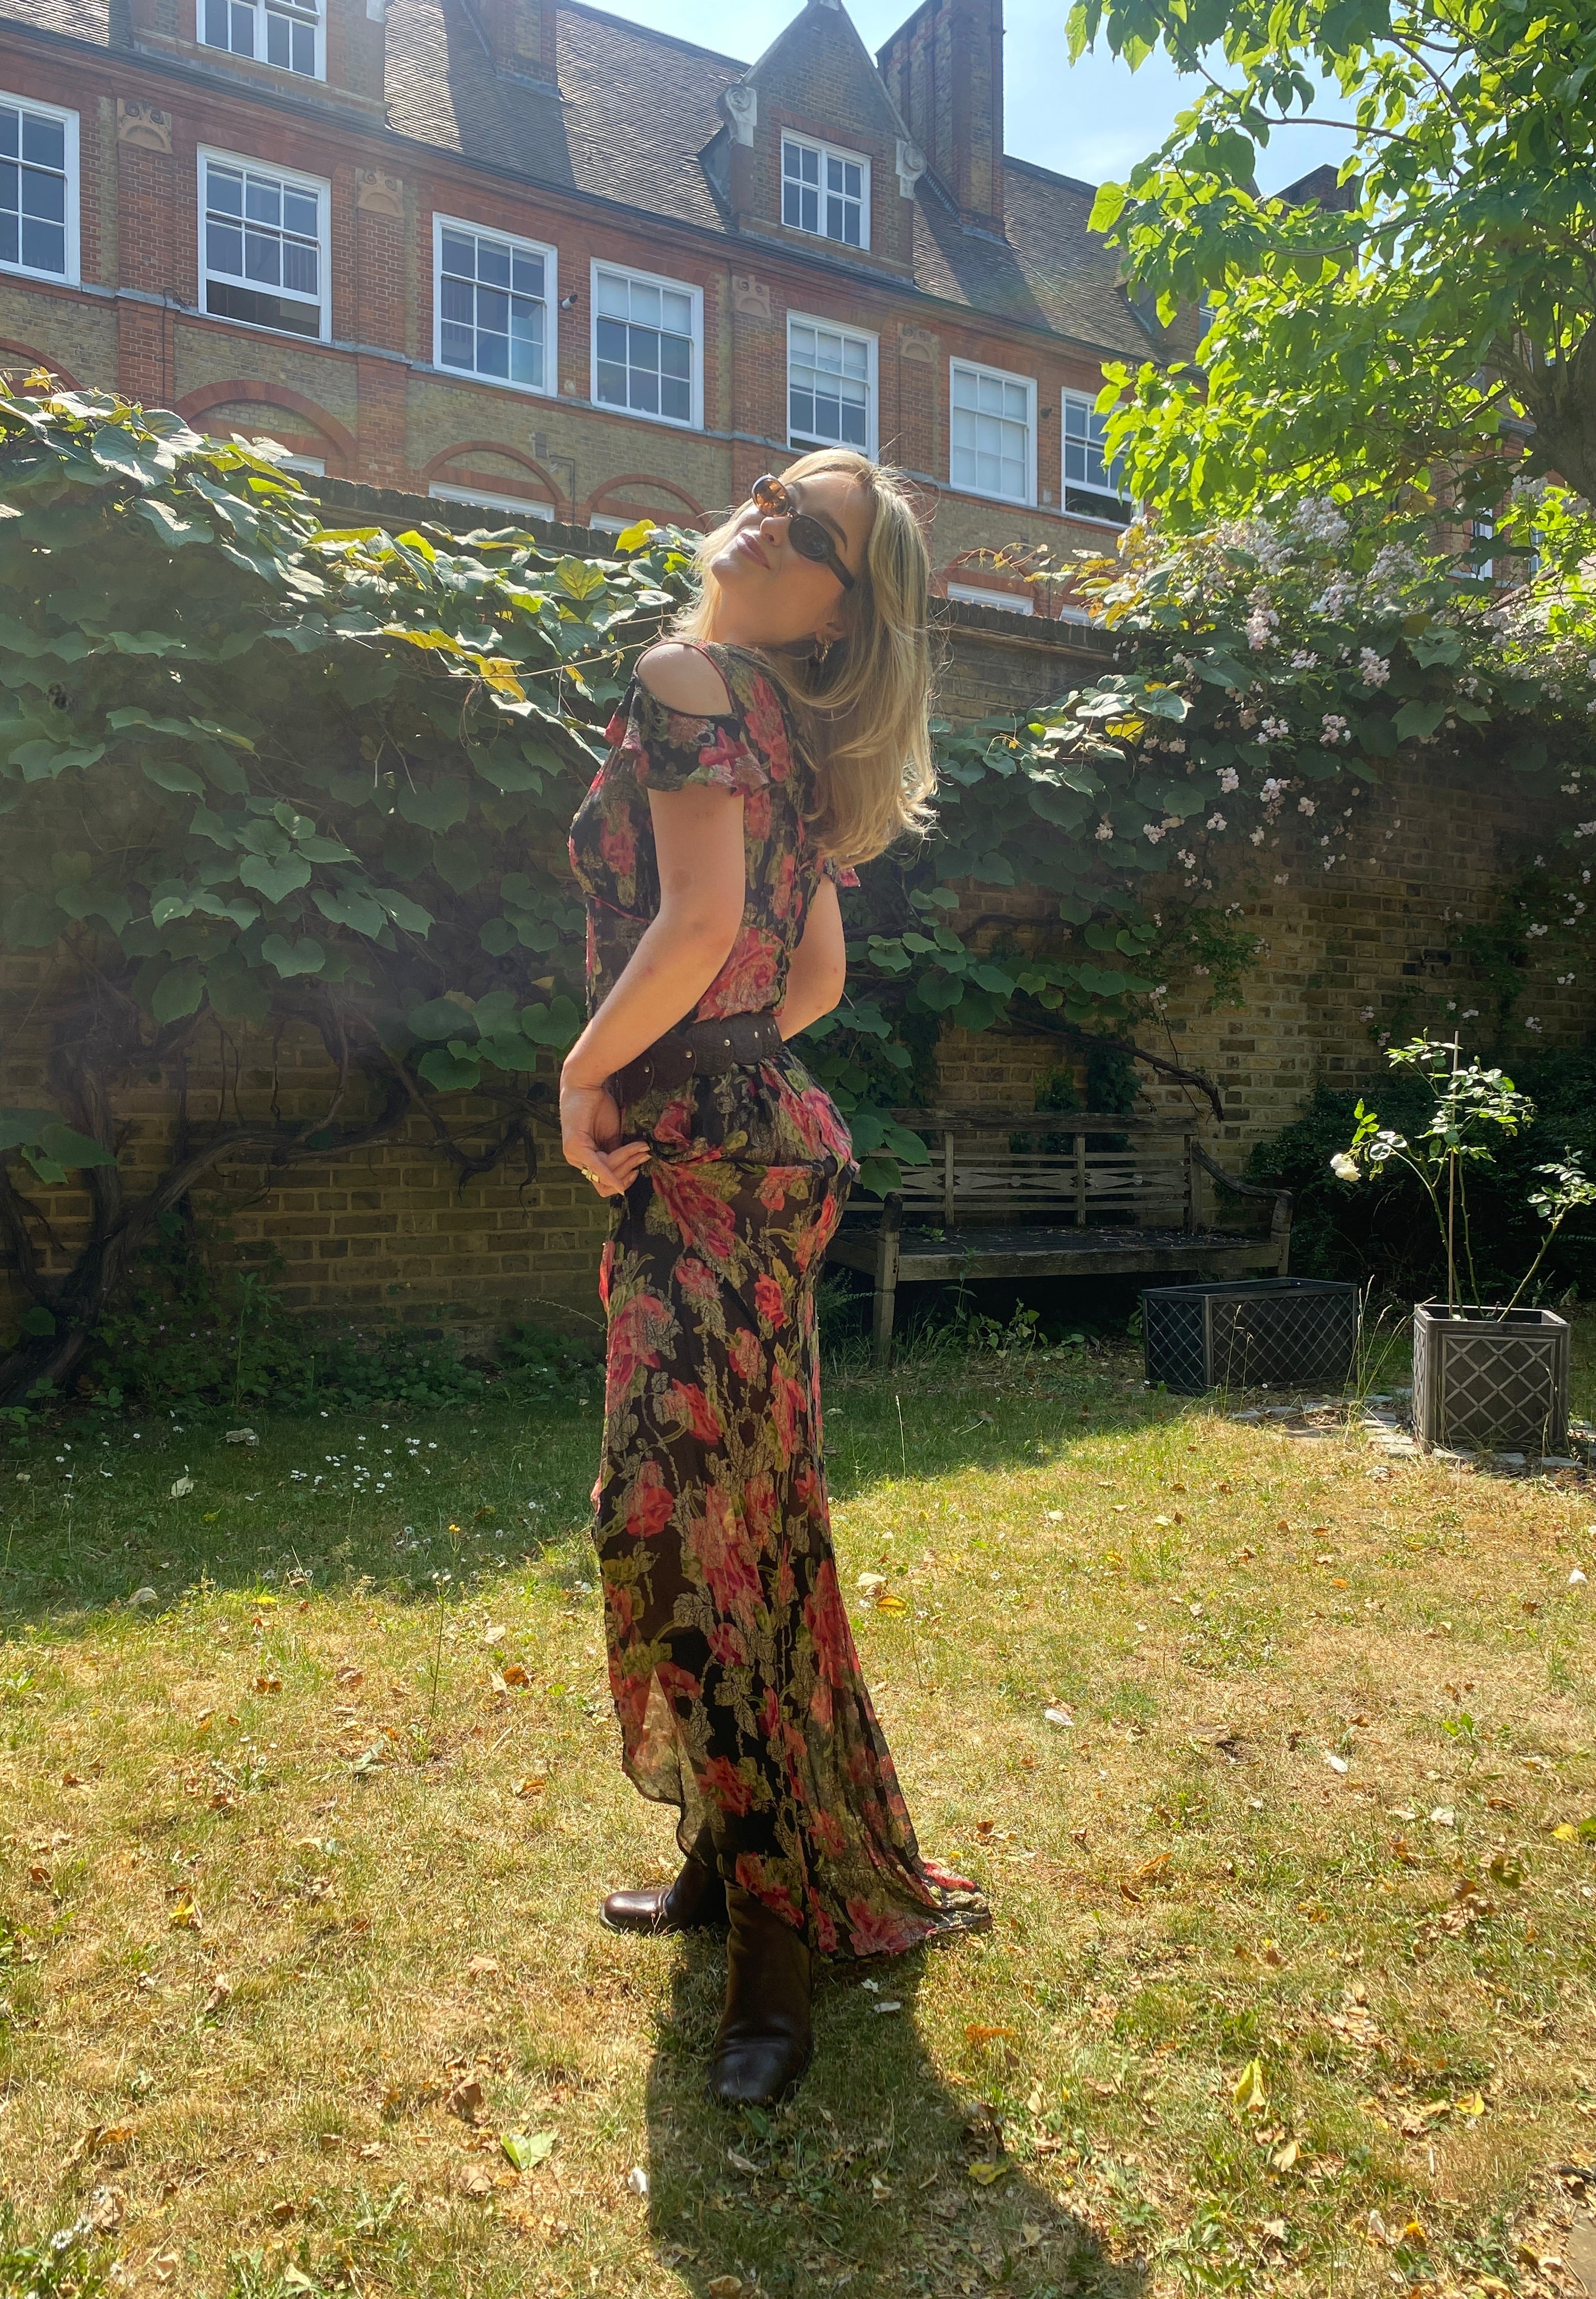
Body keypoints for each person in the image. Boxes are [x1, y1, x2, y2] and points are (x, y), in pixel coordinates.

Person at [560, 451, 989, 2107]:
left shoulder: (688, 680)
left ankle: (773, 1950)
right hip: (762, 1141)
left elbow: (696, 927)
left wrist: (590, 1073)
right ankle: (733, 1857)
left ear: (837, 611)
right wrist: (711, 1062)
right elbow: (807, 976)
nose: (765, 514)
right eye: (771, 488)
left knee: (686, 1526)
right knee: (742, 1517)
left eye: (810, 528)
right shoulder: (788, 734)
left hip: (707, 1161)